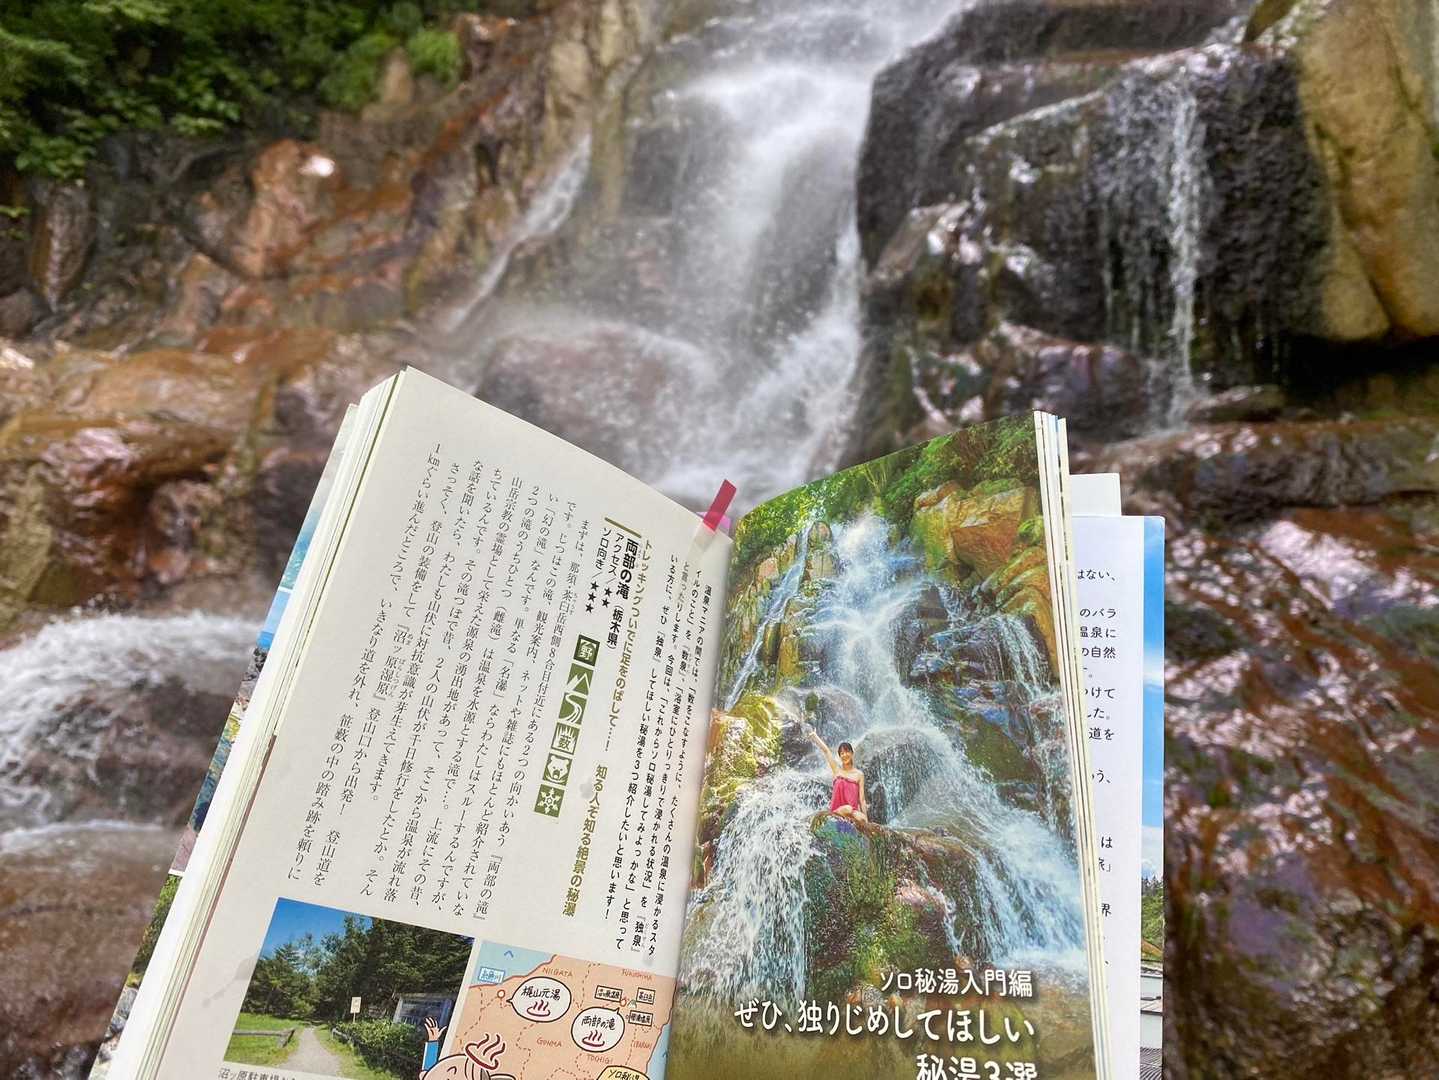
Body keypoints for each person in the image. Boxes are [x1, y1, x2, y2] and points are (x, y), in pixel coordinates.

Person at [805, 723, 867, 823]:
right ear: (840, 756)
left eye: (847, 752)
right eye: (842, 753)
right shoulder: (837, 770)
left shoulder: (859, 775)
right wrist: (814, 736)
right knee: (848, 809)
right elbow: (826, 751)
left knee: (862, 818)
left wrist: (867, 819)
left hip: (852, 812)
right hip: (837, 812)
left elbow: (862, 799)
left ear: (852, 753)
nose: (844, 755)